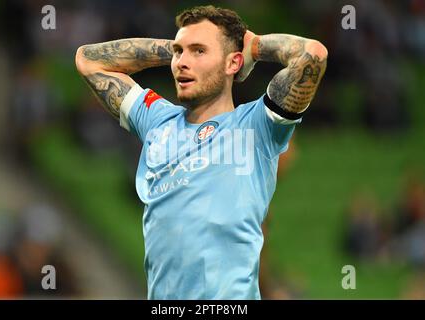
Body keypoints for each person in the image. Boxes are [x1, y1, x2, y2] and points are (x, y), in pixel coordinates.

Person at [75, 5, 327, 299]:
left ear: (233, 63)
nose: (182, 62)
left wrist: (254, 47)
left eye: (199, 51)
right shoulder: (157, 120)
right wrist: (176, 50)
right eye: (180, 52)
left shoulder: (257, 125)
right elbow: (88, 60)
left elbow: (314, 55)